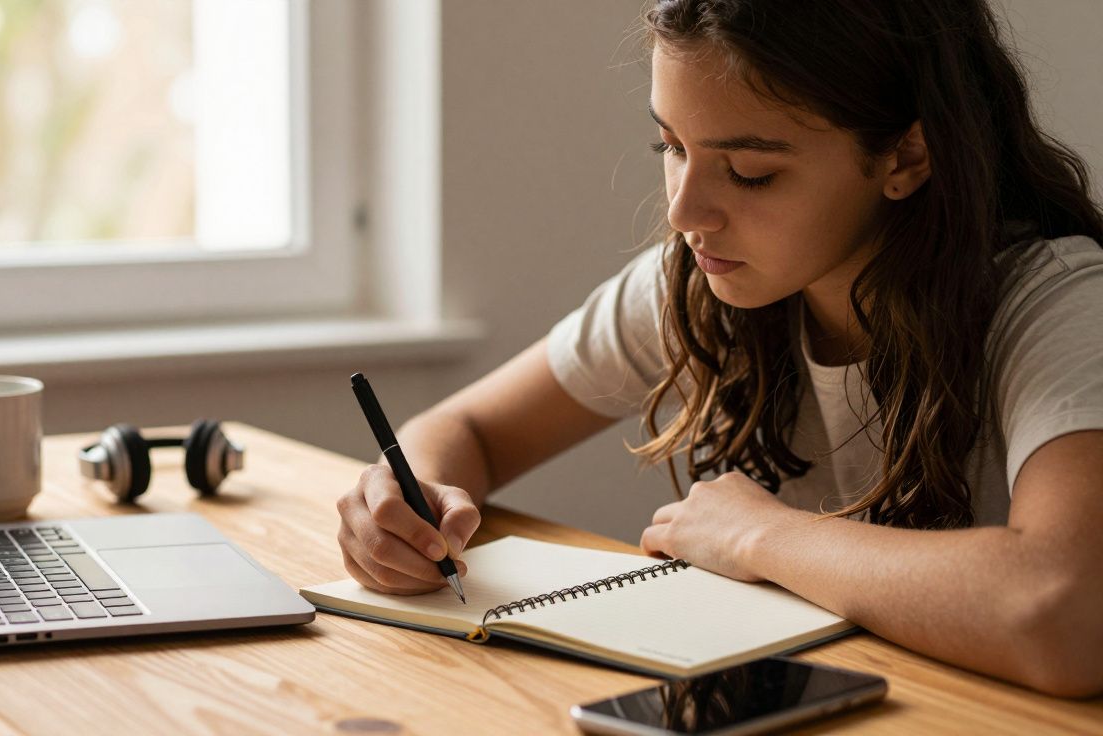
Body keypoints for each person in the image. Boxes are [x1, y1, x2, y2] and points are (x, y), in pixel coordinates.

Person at [334, 0, 1103, 698]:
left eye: (750, 172)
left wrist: (759, 534)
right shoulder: (704, 281)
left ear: (904, 158)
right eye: (670, 146)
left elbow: (1065, 612)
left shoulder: (1061, 301)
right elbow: (470, 430)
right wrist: (406, 500)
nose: (684, 211)